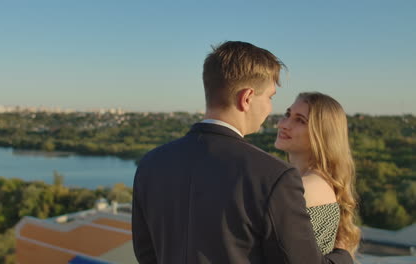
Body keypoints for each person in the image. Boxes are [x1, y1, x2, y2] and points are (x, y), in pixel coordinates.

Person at [132, 41, 353, 263]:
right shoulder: (274, 177)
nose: (270, 109)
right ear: (246, 98)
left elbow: (146, 254)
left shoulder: (151, 163)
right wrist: (343, 255)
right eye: (270, 97)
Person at [275, 92, 361, 257]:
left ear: (322, 133)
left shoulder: (306, 186)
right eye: (287, 114)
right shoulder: (309, 180)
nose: (283, 124)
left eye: (300, 120)